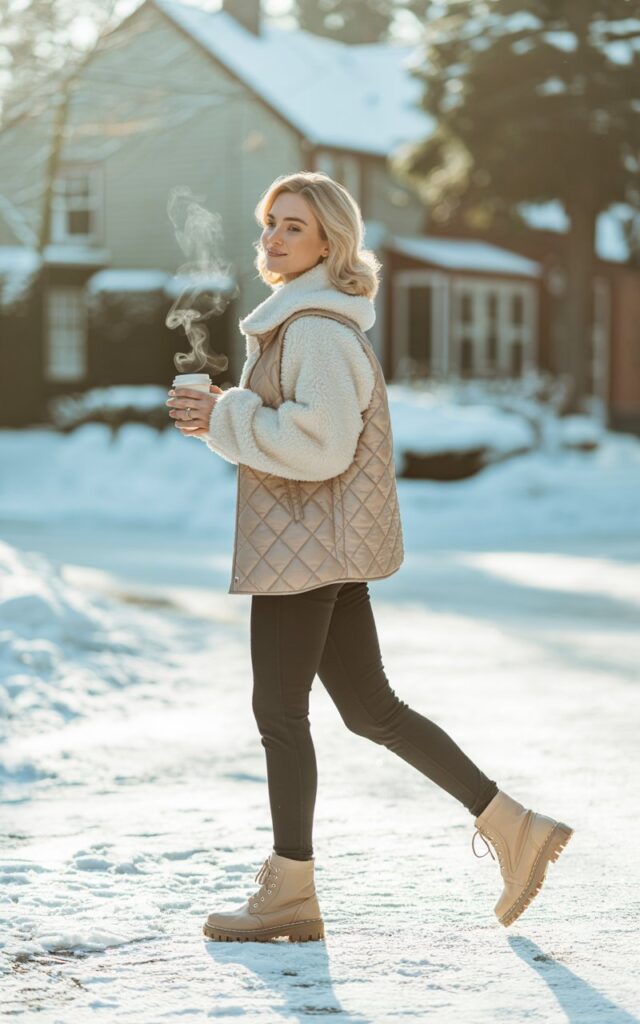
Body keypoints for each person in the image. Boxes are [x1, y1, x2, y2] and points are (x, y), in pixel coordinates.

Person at [166, 171, 573, 943]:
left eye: (294, 226)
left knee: (280, 715)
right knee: (370, 709)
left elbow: (318, 448)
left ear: (330, 243)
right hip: (323, 544)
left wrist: (231, 413)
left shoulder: (315, 328)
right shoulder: (307, 322)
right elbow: (297, 436)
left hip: (303, 550)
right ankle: (514, 827)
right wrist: (224, 421)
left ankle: (289, 893)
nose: (273, 238)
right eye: (269, 223)